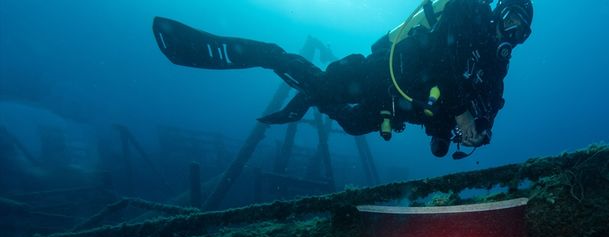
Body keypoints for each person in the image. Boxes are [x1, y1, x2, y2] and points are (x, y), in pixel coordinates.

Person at [152, 0, 533, 159]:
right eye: (510, 21)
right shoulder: (468, 14)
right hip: (382, 71)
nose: (511, 34)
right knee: (322, 86)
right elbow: (439, 64)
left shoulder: (495, 60)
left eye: (520, 31)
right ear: (498, 12)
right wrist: (464, 114)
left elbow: (494, 98)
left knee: (350, 124)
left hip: (400, 105)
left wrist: (481, 128)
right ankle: (269, 56)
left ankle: (309, 97)